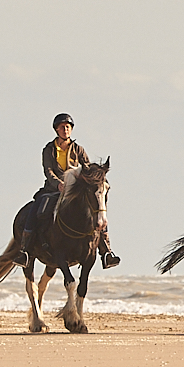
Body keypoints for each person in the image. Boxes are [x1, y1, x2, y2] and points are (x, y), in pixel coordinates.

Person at [24, 113, 118, 269]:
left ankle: (106, 252)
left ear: (71, 130)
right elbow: (48, 171)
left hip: (75, 191)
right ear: (56, 130)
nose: (65, 129)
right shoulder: (49, 149)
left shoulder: (78, 149)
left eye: (67, 127)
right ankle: (25, 251)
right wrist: (58, 184)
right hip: (54, 189)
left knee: (97, 211)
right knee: (36, 207)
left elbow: (87, 169)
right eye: (62, 127)